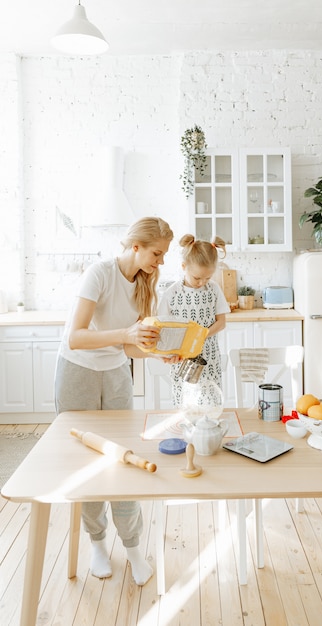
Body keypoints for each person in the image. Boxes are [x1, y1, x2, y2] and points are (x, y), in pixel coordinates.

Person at [55, 216, 176, 586]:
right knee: (86, 461)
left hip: (116, 371)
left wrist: (156, 353)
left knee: (125, 457)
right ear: (136, 246)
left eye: (164, 254)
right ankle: (97, 543)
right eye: (157, 253)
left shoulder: (145, 285)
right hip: (77, 370)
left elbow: (128, 346)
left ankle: (134, 546)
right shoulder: (100, 273)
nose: (161, 261)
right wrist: (127, 332)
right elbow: (75, 337)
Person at [158, 234, 230, 406]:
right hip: (182, 358)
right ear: (184, 266)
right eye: (197, 278)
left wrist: (202, 334)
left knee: (211, 403)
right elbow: (163, 328)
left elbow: (221, 322)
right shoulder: (171, 294)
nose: (202, 282)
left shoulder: (214, 290)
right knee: (185, 404)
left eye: (207, 278)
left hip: (209, 357)